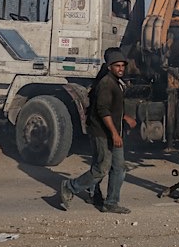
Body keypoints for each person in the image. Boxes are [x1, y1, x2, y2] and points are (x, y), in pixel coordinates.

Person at [59, 48, 137, 214]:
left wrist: (124, 118)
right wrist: (115, 134)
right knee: (101, 169)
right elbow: (103, 111)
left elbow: (112, 108)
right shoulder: (106, 84)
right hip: (103, 133)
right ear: (109, 67)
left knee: (119, 168)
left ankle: (110, 202)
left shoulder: (116, 82)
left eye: (123, 65)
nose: (121, 68)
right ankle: (70, 187)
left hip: (113, 132)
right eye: (117, 66)